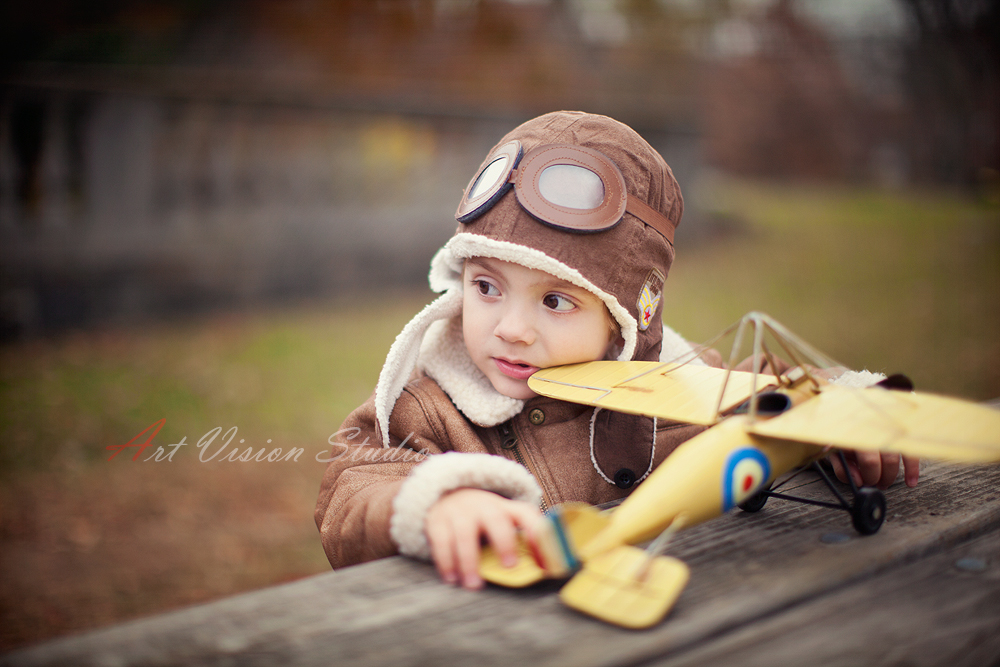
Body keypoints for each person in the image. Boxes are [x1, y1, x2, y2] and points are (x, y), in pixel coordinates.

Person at [314, 111, 917, 590]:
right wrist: (436, 502)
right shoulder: (433, 404)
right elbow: (351, 481)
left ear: (624, 323)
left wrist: (845, 415)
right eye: (487, 287)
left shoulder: (678, 382)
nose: (511, 329)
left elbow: (776, 385)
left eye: (555, 302)